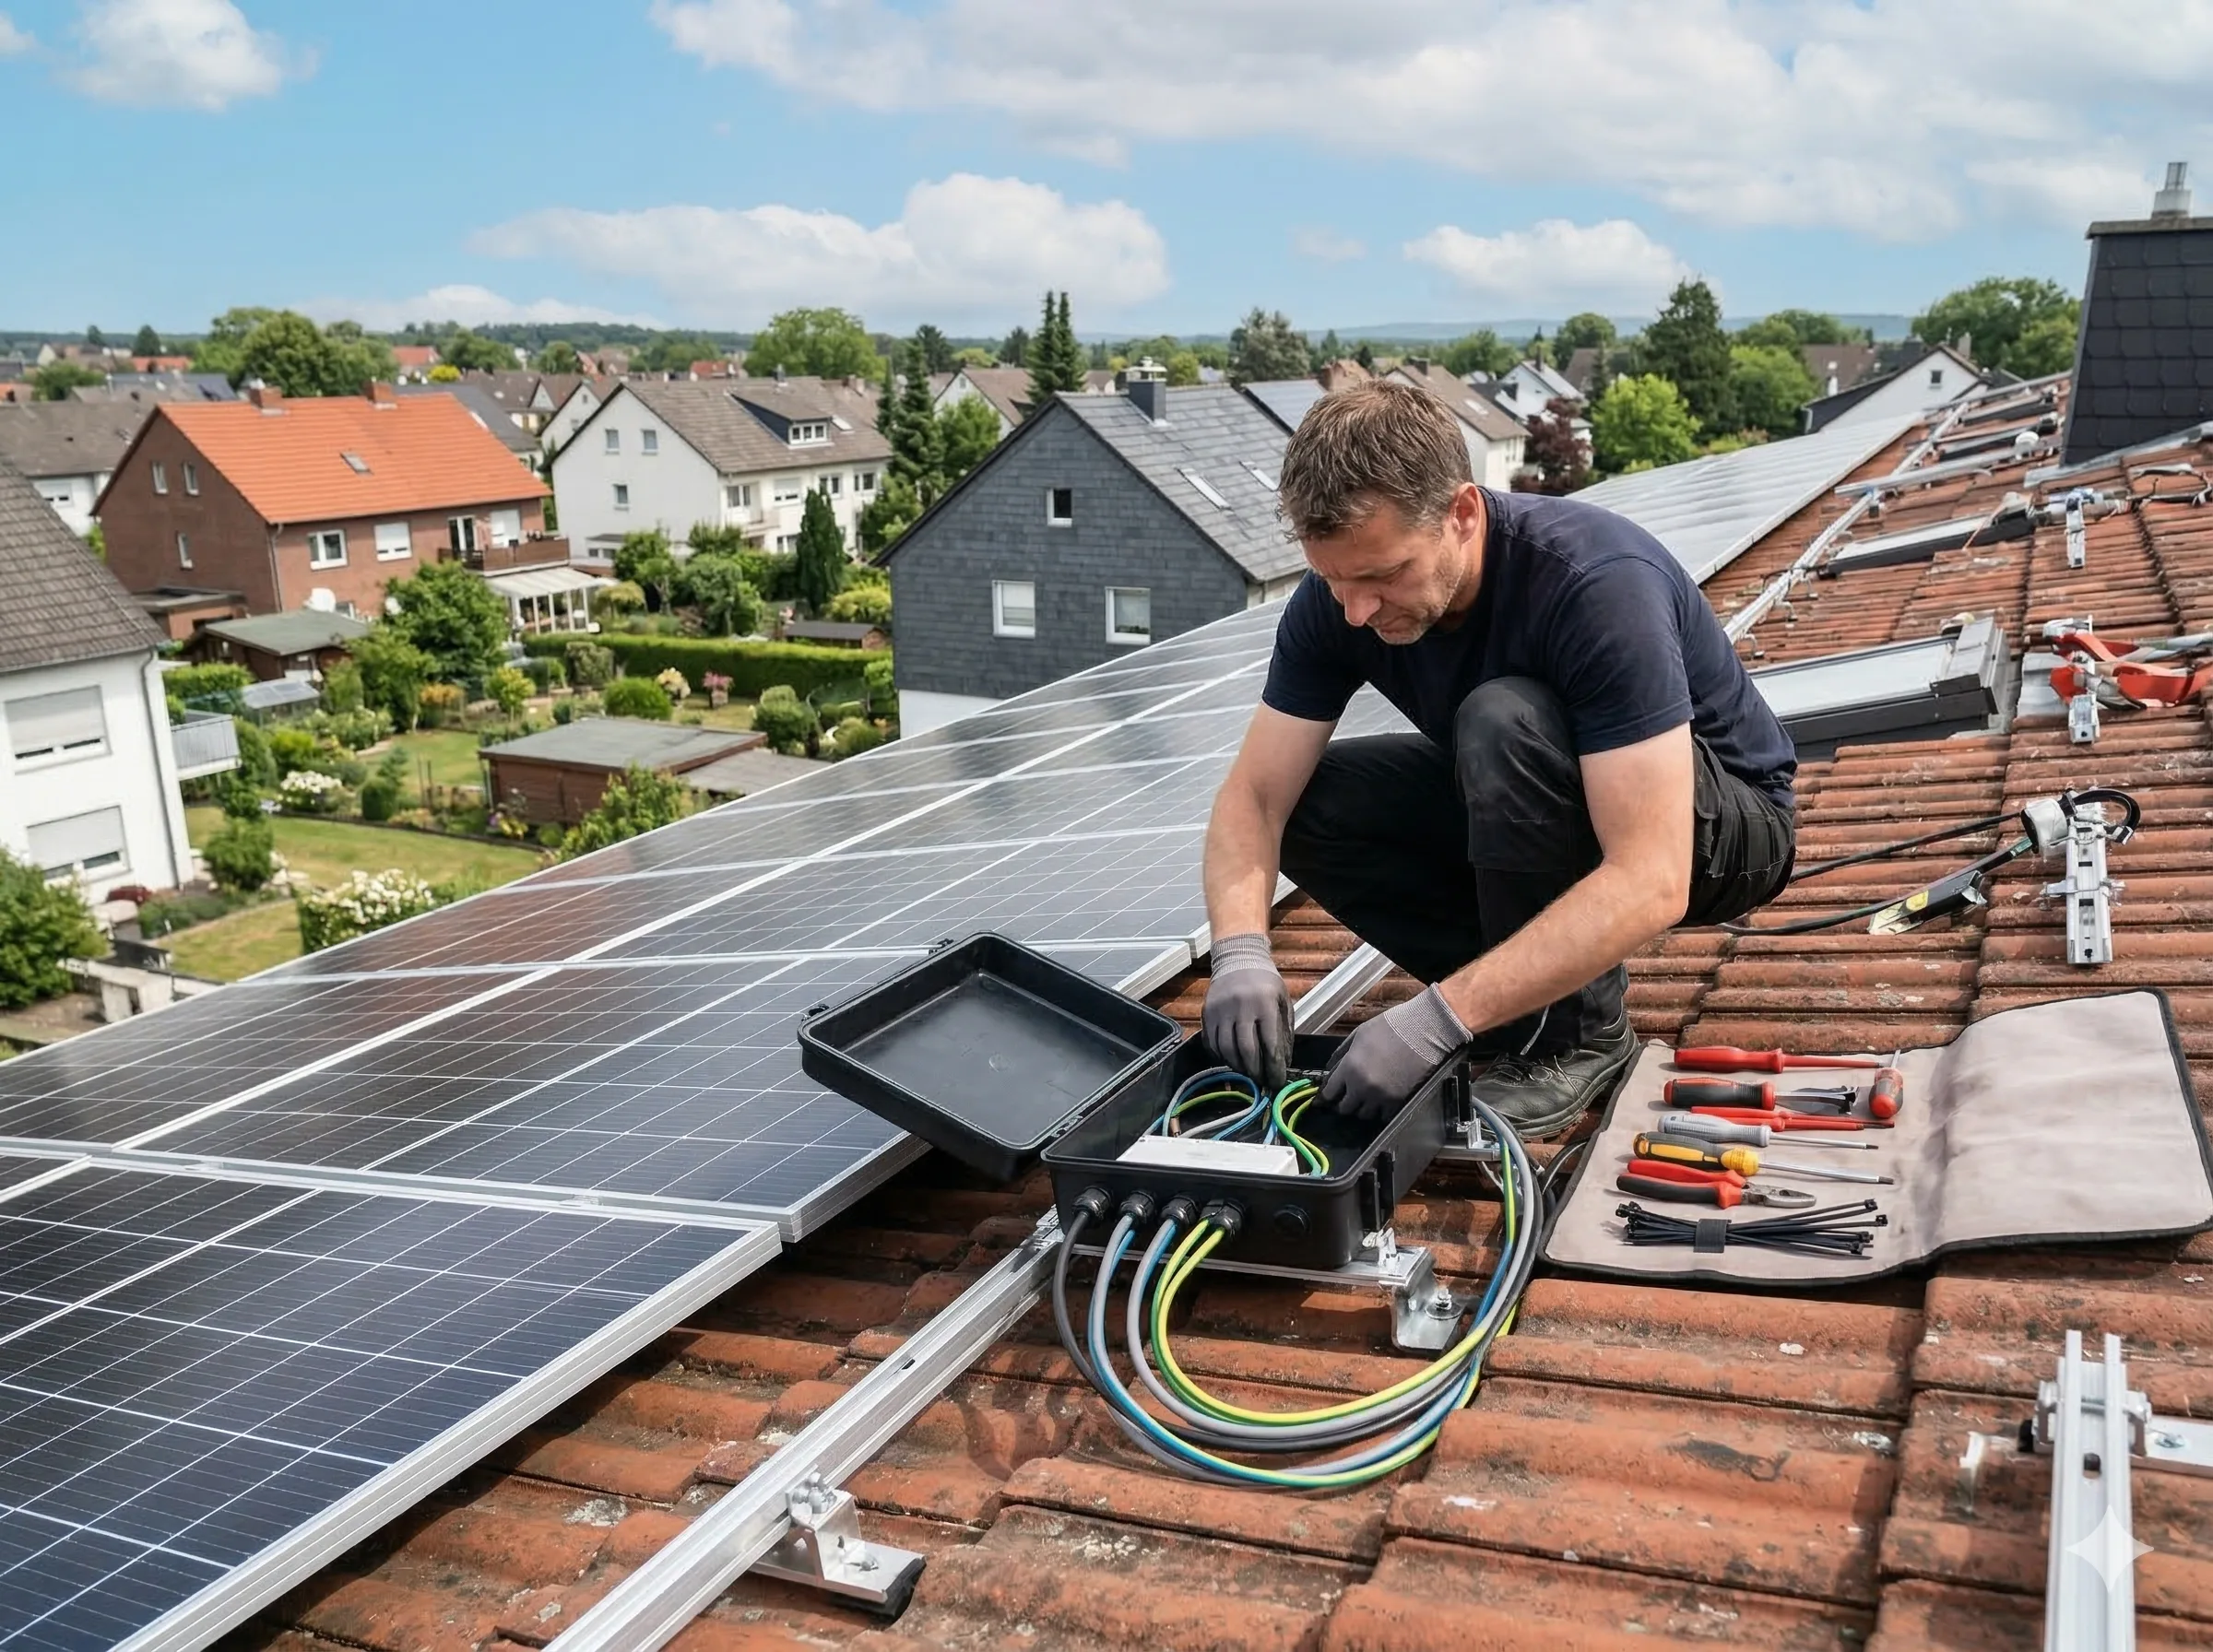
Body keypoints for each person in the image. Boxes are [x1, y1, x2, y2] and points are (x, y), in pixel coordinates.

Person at [1201, 381, 1797, 1138]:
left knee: (1501, 719)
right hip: (1544, 781)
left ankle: (1576, 1038)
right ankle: (1511, 1007)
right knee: (1312, 804)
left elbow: (1653, 876)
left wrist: (1434, 1022)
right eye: (1334, 580)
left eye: (1384, 576)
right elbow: (1255, 798)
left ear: (1463, 513)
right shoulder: (1339, 601)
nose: (1355, 609)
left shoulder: (1593, 586)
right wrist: (1241, 951)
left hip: (1724, 826)